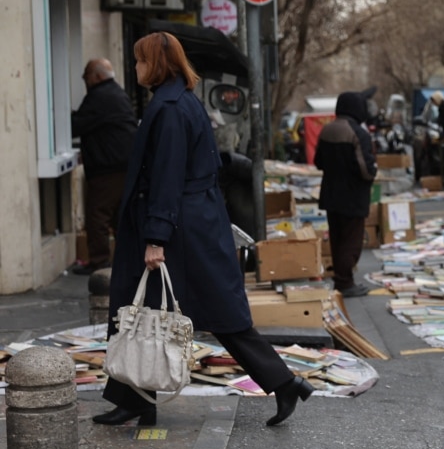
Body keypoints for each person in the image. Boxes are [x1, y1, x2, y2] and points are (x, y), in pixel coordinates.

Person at [96, 32, 312, 428]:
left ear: (157, 65)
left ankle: (283, 383)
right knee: (144, 309)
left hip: (180, 230)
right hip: (189, 223)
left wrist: (155, 237)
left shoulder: (172, 108)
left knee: (188, 310)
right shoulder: (176, 102)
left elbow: (166, 176)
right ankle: (134, 398)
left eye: (141, 61)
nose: (137, 68)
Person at [69, 58, 137, 276]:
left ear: (97, 76)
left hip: (108, 166)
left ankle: (99, 263)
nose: (84, 80)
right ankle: (126, 261)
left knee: (97, 215)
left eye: (86, 75)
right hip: (121, 163)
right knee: (118, 216)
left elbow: (76, 125)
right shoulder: (117, 93)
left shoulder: (100, 96)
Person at [313, 91, 378, 298]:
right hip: (353, 196)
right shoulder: (358, 133)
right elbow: (365, 170)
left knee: (337, 238)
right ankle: (345, 282)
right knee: (351, 240)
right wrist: (373, 172)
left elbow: (318, 162)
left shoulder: (326, 130)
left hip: (331, 194)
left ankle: (341, 279)